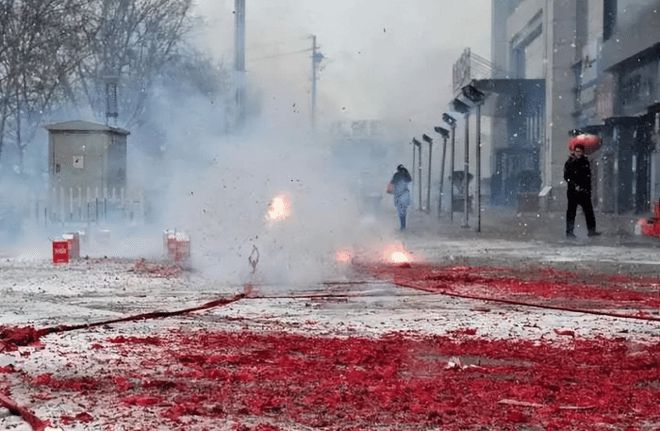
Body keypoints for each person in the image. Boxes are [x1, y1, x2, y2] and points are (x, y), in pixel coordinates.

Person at [564, 144, 600, 238]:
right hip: (573, 192)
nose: (578, 153)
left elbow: (588, 176)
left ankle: (592, 231)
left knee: (589, 212)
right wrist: (574, 185)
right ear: (574, 152)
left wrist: (586, 188)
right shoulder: (570, 162)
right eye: (577, 151)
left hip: (584, 192)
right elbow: (567, 176)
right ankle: (569, 232)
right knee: (571, 212)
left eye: (580, 151)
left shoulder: (585, 162)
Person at [388, 164, 412, 230]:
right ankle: (403, 226)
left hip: (400, 196)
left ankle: (403, 227)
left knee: (401, 212)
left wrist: (390, 190)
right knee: (404, 211)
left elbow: (391, 185)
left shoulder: (396, 175)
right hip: (406, 195)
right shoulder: (407, 175)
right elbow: (410, 186)